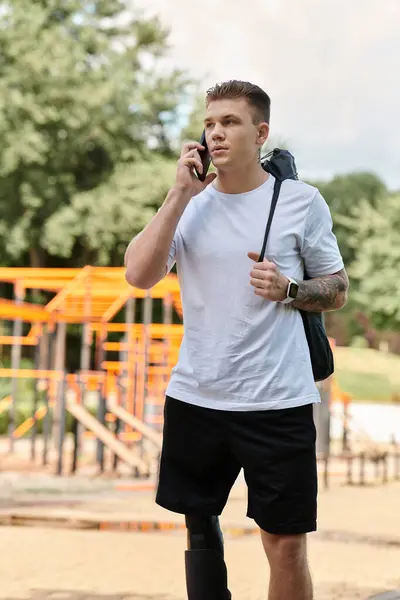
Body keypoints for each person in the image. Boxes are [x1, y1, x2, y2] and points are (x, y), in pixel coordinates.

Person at [124, 80, 349, 600]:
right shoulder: (190, 206)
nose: (216, 133)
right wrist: (180, 192)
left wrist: (290, 288)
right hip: (197, 397)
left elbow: (336, 289)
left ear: (260, 132)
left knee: (286, 545)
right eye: (209, 124)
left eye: (230, 122)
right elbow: (138, 274)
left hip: (278, 400)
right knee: (199, 529)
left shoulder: (301, 201)